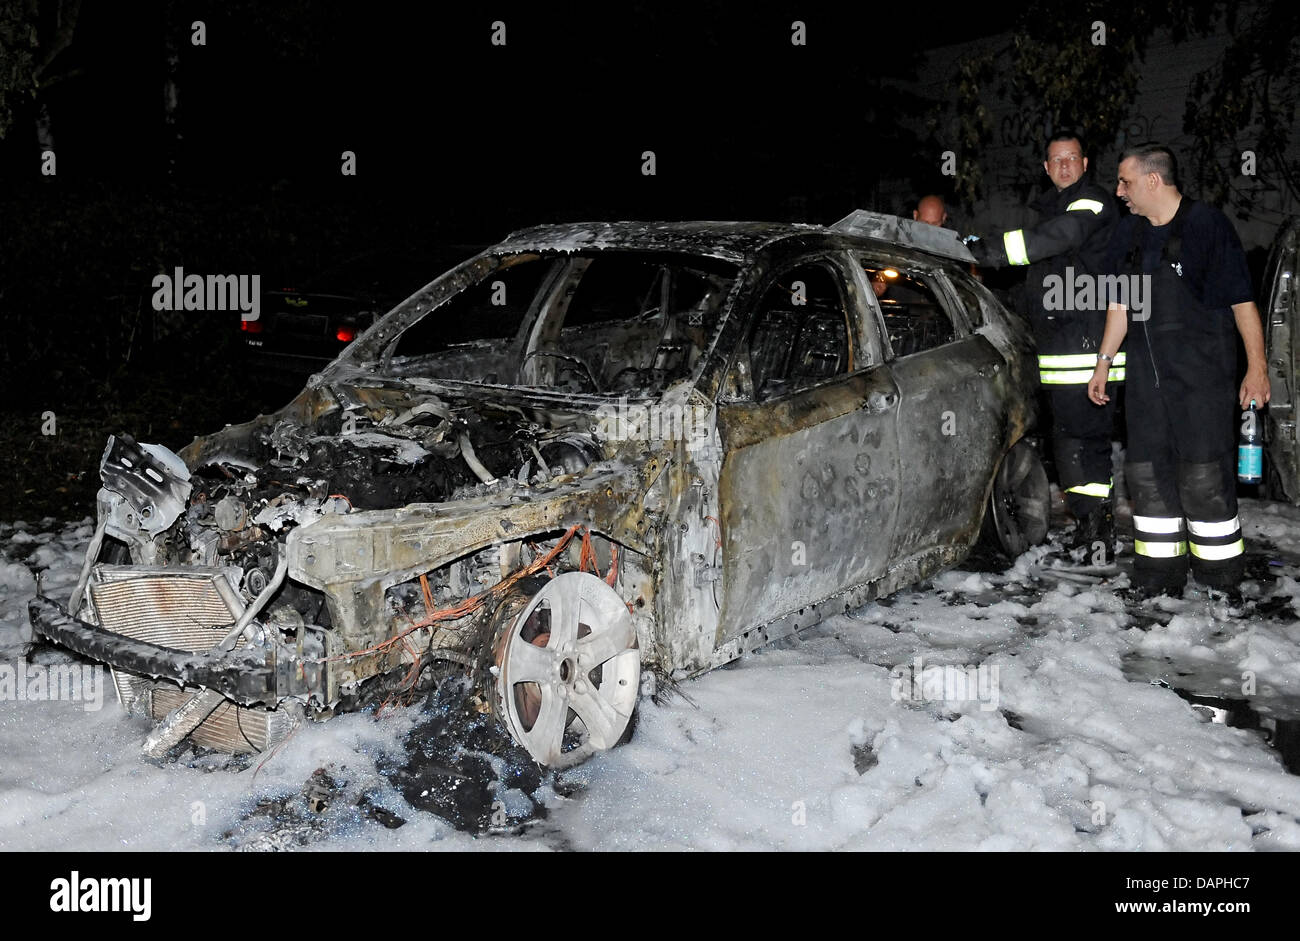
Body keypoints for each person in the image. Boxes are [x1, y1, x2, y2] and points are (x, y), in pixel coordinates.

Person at [1087, 143, 1268, 596]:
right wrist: (1103, 365)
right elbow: (1119, 306)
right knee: (1146, 477)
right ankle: (1157, 578)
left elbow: (1242, 303)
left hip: (1202, 381)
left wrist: (1257, 368)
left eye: (1125, 181)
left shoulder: (1207, 226)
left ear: (1153, 180)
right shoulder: (1127, 234)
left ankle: (1220, 581)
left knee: (1203, 480)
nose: (1119, 191)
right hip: (1147, 385)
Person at [968, 132, 1122, 559]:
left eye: (1072, 158)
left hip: (1087, 348)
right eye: (1056, 160)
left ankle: (1096, 530)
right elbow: (1037, 279)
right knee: (1074, 443)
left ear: (1086, 163)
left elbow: (1055, 239)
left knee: (1081, 443)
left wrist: (988, 251)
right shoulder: (1050, 209)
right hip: (1063, 349)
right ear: (1046, 167)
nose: (1065, 166)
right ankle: (1092, 525)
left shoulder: (1090, 203)